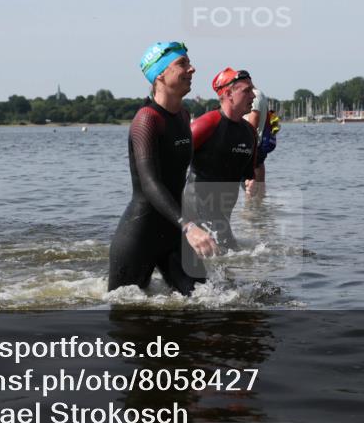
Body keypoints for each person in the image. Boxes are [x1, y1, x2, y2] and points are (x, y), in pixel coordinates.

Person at [107, 41, 217, 296]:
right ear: (159, 75)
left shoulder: (182, 116)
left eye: (189, 63)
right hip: (139, 236)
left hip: (173, 231)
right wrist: (188, 226)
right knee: (128, 316)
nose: (192, 69)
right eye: (182, 64)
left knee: (209, 302)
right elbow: (150, 183)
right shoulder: (147, 119)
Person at [187, 68, 258, 251]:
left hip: (223, 212)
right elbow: (169, 163)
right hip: (196, 207)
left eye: (253, 90)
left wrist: (249, 183)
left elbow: (247, 175)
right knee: (232, 257)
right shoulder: (206, 125)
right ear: (228, 94)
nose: (253, 96)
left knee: (224, 261)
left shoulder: (249, 133)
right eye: (247, 91)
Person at [243, 87, 281, 197]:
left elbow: (254, 120)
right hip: (258, 143)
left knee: (252, 191)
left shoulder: (254, 96)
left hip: (254, 143)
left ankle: (253, 208)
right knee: (257, 188)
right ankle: (259, 207)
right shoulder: (259, 95)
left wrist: (246, 143)